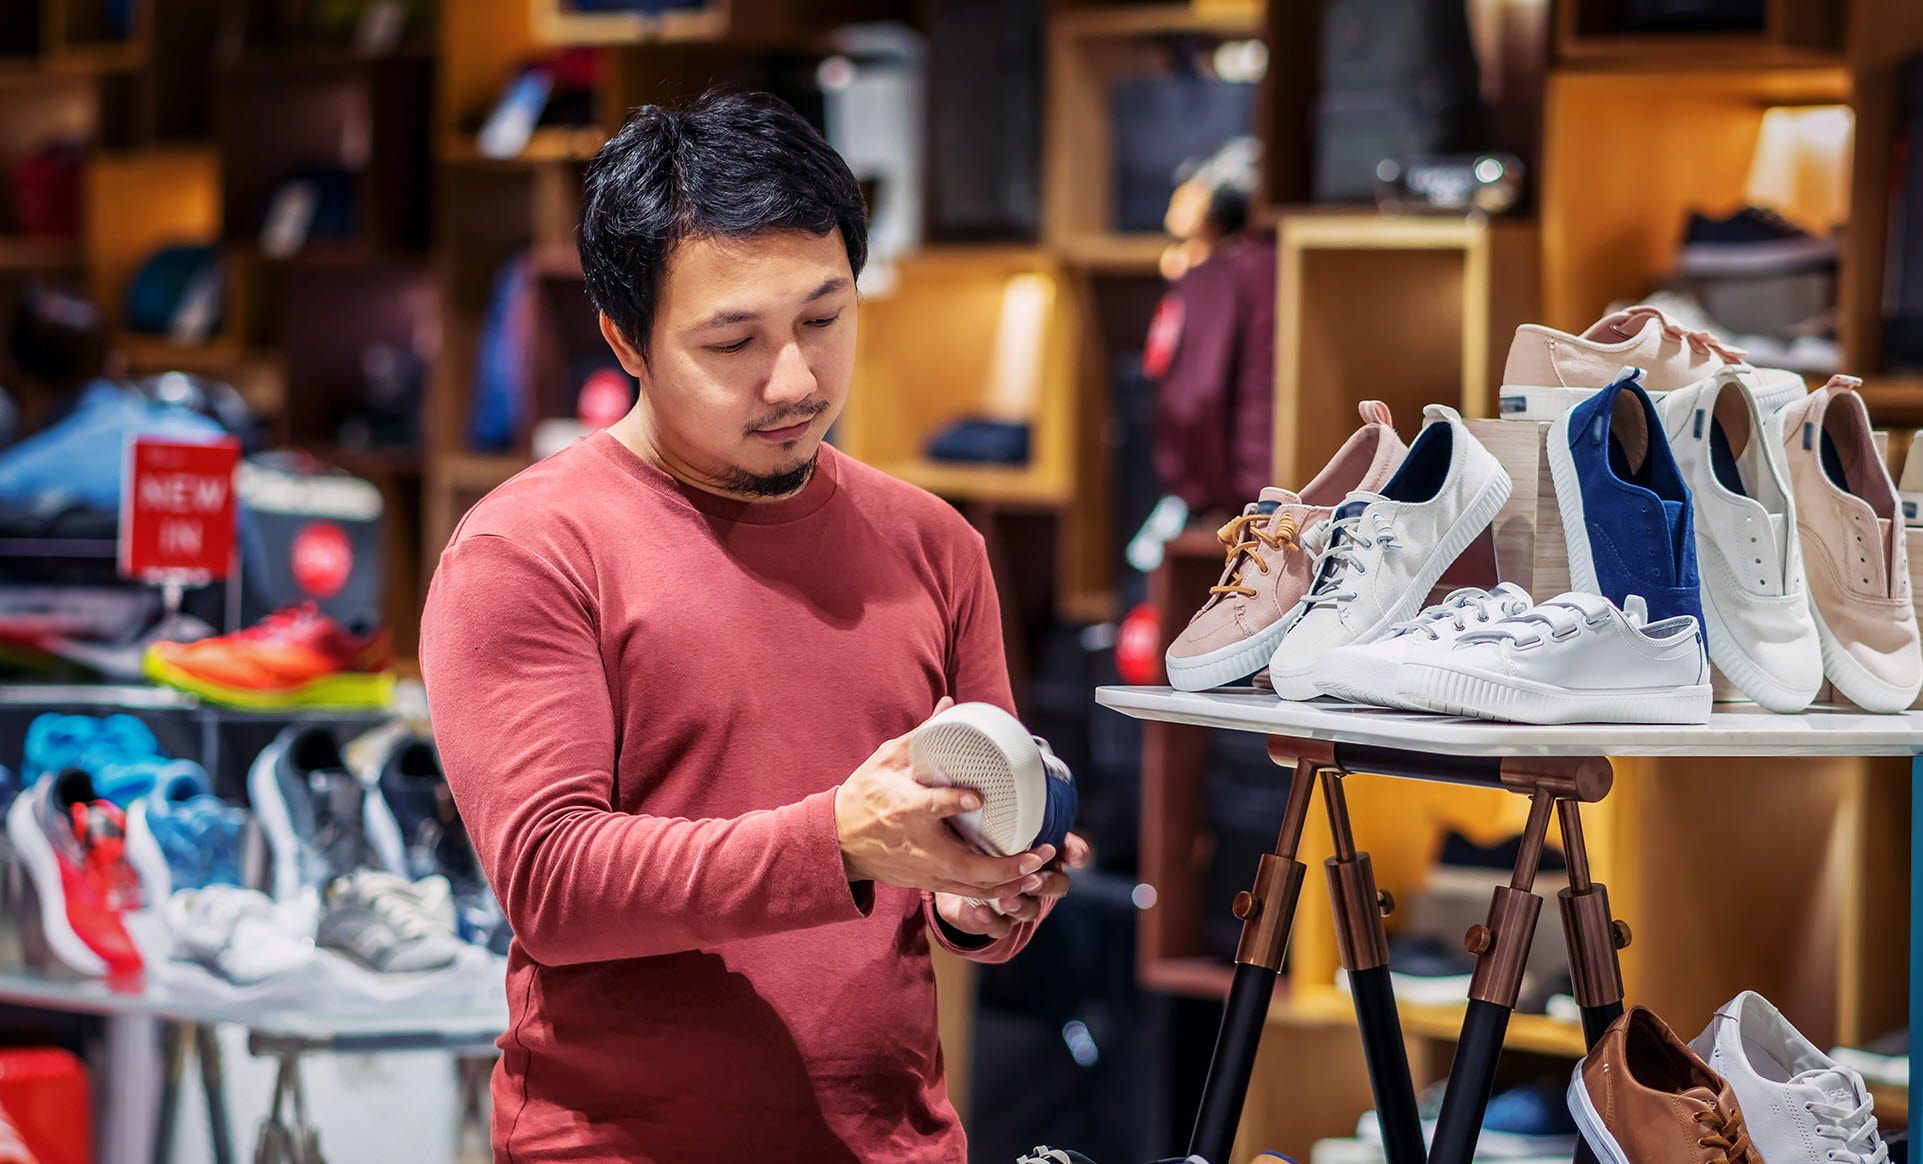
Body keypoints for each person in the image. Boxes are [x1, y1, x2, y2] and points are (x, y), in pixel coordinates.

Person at [420, 90, 1088, 1160]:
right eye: (733, 342)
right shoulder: (529, 550)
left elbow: (959, 869)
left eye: (824, 319)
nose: (795, 380)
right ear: (623, 341)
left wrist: (986, 891)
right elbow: (551, 881)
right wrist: (839, 843)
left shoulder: (936, 545)